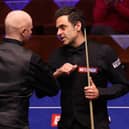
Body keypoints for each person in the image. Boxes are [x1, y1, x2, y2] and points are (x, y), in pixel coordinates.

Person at [48, 7, 129, 129]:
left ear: (78, 26)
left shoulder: (103, 52)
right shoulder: (57, 55)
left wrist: (100, 92)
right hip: (66, 125)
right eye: (57, 29)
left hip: (95, 124)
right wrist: (56, 74)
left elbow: (123, 85)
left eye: (63, 27)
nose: (58, 33)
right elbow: (43, 91)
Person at [0, 10, 59, 129]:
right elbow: (52, 89)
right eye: (31, 29)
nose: (31, 33)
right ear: (23, 31)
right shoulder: (31, 59)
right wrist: (55, 75)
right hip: (15, 125)